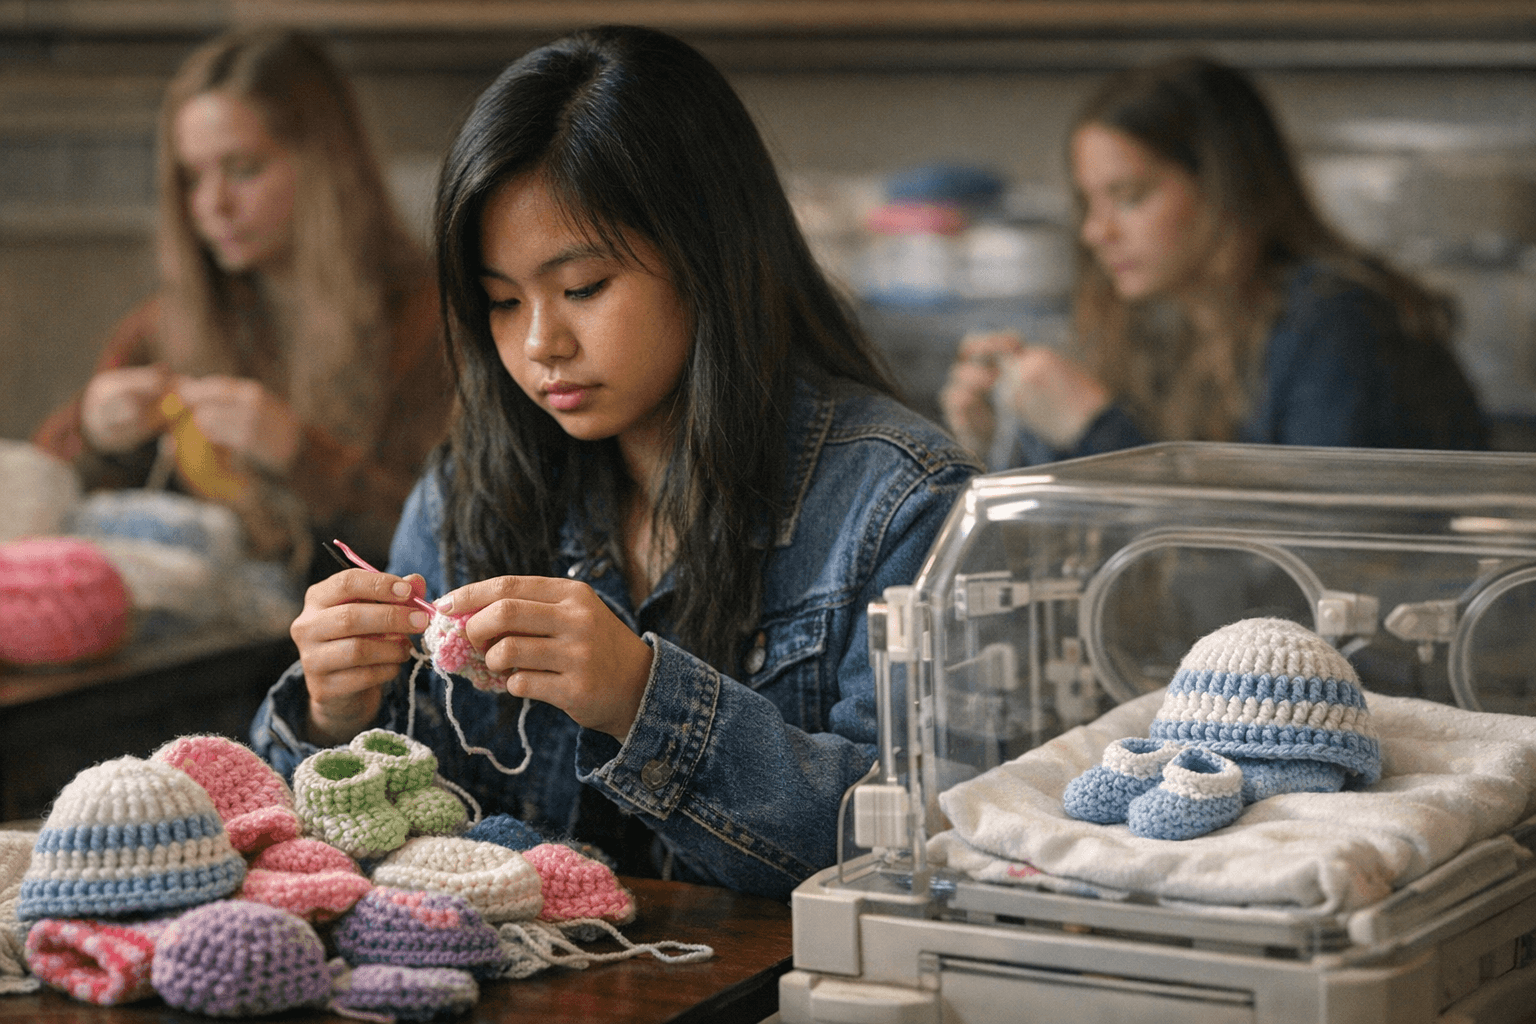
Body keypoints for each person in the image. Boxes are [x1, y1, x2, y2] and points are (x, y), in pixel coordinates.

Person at [250, 25, 980, 900]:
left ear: (708, 256)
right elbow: (372, 848)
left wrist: (642, 700)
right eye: (501, 301)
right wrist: (335, 717)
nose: (539, 342)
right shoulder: (466, 493)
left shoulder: (903, 504)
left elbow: (925, 851)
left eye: (583, 288)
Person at [33, 28, 452, 582]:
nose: (213, 204)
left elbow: (456, 541)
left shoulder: (430, 320)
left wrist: (299, 455)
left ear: (326, 162)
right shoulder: (164, 327)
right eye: (191, 178)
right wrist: (94, 431)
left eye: (244, 169)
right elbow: (36, 507)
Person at [940, 55, 1489, 470]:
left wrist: (1094, 427)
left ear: (1224, 186)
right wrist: (1006, 444)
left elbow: (1301, 563)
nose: (1096, 232)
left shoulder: (1337, 326)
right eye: (1089, 203)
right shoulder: (1160, 327)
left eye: (1130, 197)